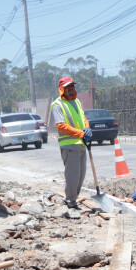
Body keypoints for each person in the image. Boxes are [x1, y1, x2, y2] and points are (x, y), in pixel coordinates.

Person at [49, 76, 94, 207]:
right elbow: (61, 125)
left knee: (81, 175)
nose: (71, 88)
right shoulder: (58, 105)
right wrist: (81, 133)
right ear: (62, 89)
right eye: (68, 87)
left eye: (72, 86)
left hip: (81, 144)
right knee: (72, 176)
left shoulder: (77, 102)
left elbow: (83, 117)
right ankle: (70, 201)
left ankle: (73, 199)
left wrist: (87, 128)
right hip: (69, 145)